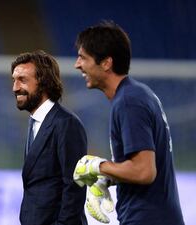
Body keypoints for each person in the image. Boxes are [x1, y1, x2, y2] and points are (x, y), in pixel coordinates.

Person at [73, 21, 184, 225]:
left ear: (106, 63)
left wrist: (99, 166)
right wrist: (107, 178)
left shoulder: (129, 101)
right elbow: (143, 165)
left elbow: (144, 171)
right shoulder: (136, 94)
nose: (77, 64)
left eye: (83, 57)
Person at [11, 50, 88, 225]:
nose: (15, 87)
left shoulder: (66, 123)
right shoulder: (35, 122)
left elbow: (75, 185)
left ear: (44, 83)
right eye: (14, 80)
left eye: (22, 80)